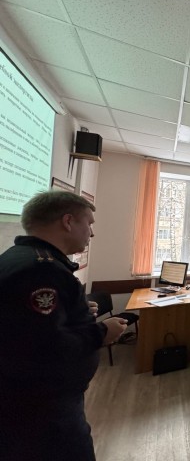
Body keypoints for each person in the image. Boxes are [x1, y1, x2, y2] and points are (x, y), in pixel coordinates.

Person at [0, 191, 127, 461]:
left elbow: (29, 328)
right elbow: (46, 346)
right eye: (89, 223)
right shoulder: (42, 270)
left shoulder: (19, 257)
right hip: (43, 414)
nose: (91, 233)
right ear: (68, 221)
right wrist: (103, 332)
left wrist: (74, 311)